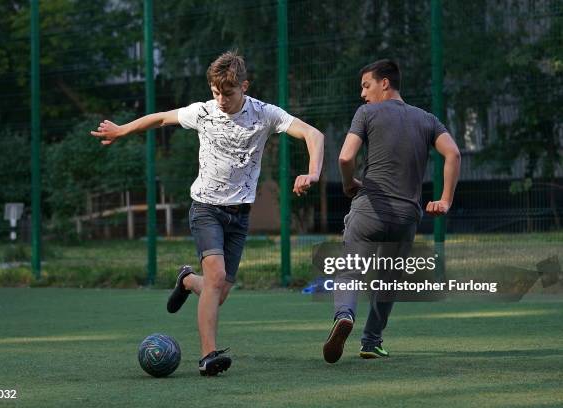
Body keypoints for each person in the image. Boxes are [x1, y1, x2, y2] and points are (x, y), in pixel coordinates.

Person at [91, 51, 325, 376]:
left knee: (219, 292)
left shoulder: (265, 114)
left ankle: (187, 280)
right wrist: (121, 130)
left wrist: (312, 173)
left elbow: (314, 134)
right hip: (205, 209)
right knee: (215, 280)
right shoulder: (203, 112)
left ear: (244, 86)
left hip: (239, 216)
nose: (221, 100)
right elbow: (160, 118)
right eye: (216, 92)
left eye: (227, 93)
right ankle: (208, 356)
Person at [322, 59, 460, 363]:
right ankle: (371, 341)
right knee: (387, 280)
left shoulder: (367, 113)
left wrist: (349, 184)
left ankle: (344, 314)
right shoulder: (427, 119)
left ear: (385, 83)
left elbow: (345, 158)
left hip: (369, 208)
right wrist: (445, 199)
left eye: (366, 85)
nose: (362, 93)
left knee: (349, 271)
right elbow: (453, 153)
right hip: (406, 217)